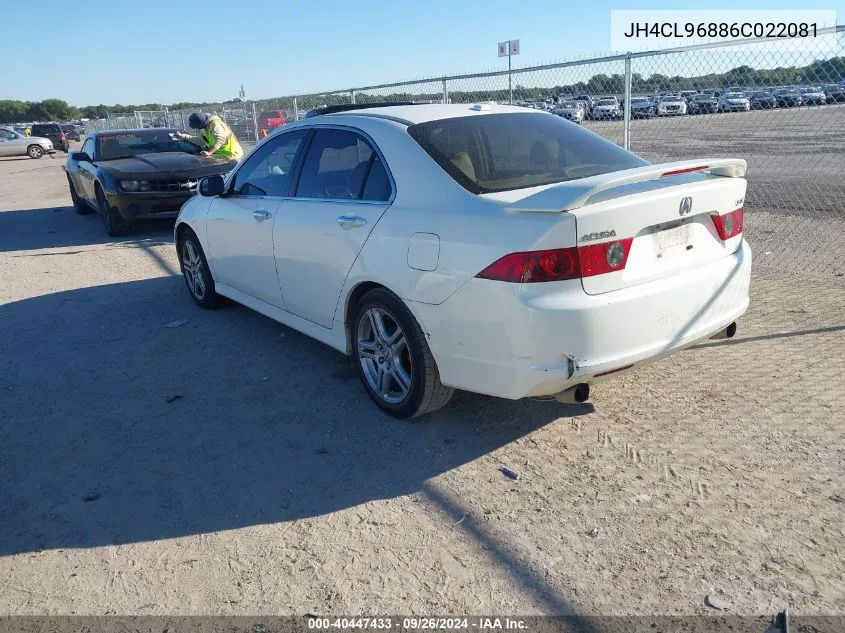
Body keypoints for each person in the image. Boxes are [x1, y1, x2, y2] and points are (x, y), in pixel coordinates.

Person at [173, 112, 243, 161]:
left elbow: (221, 139)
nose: (197, 129)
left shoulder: (216, 124)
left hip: (233, 156)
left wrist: (209, 152)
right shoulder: (204, 129)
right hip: (221, 156)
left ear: (201, 125)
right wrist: (183, 136)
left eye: (197, 127)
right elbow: (201, 140)